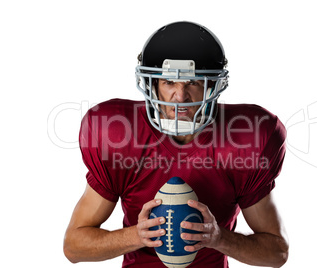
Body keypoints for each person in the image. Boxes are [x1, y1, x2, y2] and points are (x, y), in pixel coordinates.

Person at [63, 21, 289, 268]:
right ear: (153, 86)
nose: (181, 97)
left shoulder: (245, 138)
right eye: (169, 82)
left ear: (212, 86)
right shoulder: (120, 135)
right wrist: (136, 236)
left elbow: (276, 253)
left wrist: (219, 238)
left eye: (193, 82)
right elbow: (74, 246)